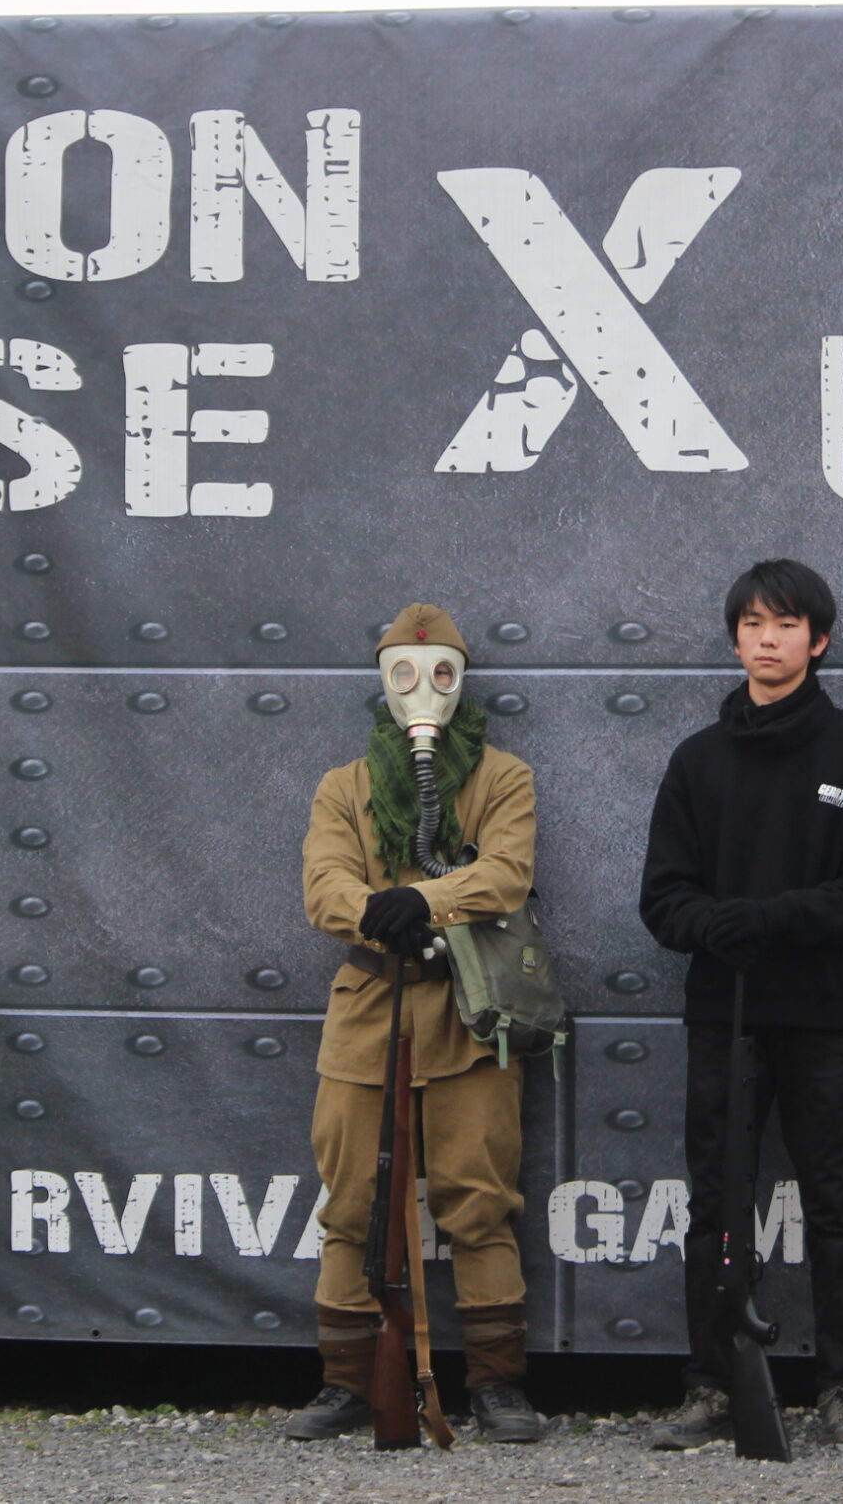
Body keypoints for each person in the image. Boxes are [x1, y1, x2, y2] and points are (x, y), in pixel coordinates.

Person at [638, 558, 843, 1451]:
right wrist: (717, 928)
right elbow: (663, 898)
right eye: (752, 623)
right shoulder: (697, 760)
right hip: (725, 1014)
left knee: (833, 1199)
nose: (768, 639)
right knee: (716, 1203)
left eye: (786, 624)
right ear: (734, 639)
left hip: (823, 1016)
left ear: (818, 641)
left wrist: (767, 918)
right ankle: (711, 1383)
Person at [282, 604, 548, 1444]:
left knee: (480, 1200)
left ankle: (498, 1383)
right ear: (382, 679)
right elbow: (324, 887)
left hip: (473, 1015)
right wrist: (379, 915)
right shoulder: (344, 786)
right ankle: (345, 1380)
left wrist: (421, 898)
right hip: (371, 1012)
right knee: (351, 1204)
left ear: (460, 679)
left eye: (440, 672)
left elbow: (505, 873)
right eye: (404, 671)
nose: (422, 688)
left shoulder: (502, 778)